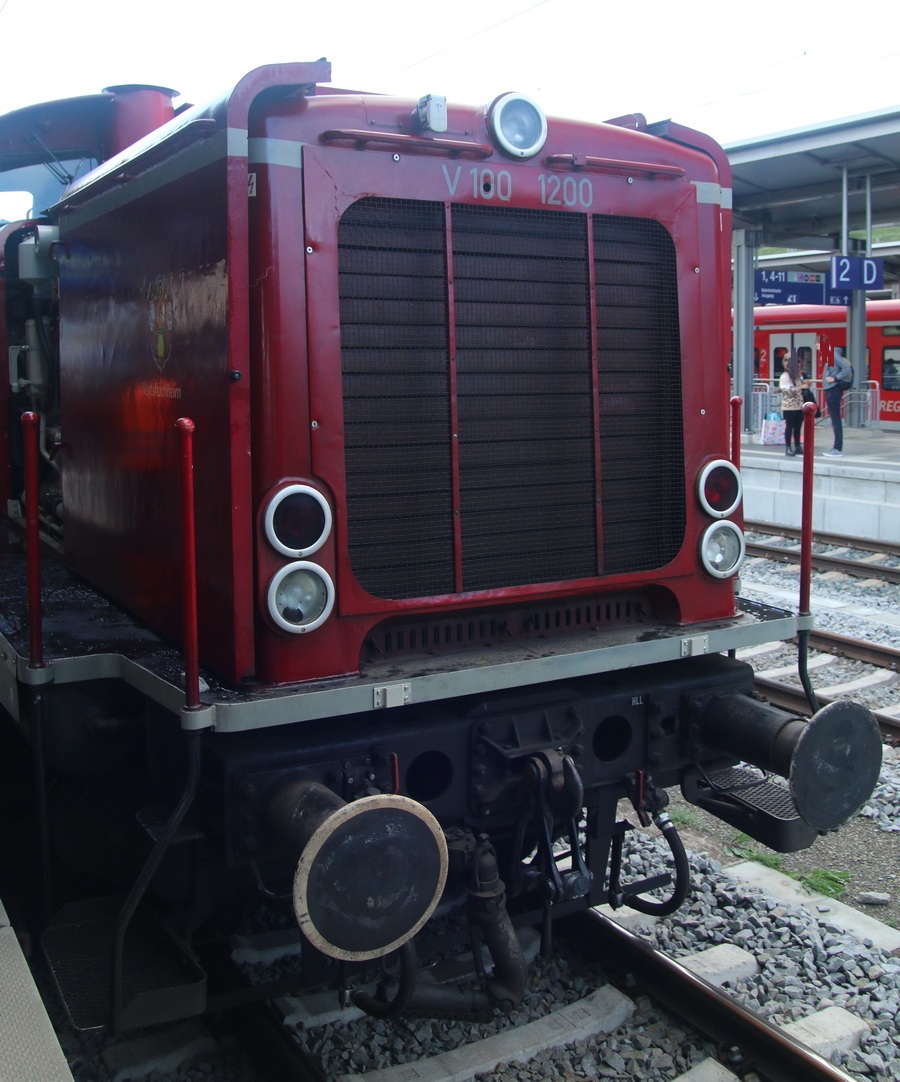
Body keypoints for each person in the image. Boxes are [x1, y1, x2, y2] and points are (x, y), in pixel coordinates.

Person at [822, 347, 852, 457]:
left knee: (836, 419)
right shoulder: (831, 356)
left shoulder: (832, 355)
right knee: (835, 419)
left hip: (833, 389)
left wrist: (835, 378)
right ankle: (837, 447)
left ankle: (837, 448)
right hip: (831, 389)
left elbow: (847, 368)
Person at [778, 350, 805, 456]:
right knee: (790, 427)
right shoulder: (784, 376)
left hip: (799, 405)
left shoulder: (798, 376)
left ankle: (798, 446)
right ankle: (788, 447)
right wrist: (800, 387)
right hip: (789, 406)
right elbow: (787, 392)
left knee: (798, 426)